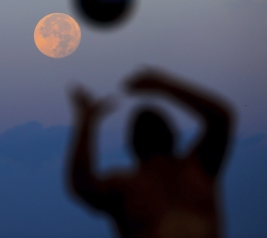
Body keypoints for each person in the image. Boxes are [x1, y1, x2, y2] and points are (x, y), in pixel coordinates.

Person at [67, 68, 234, 238]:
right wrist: (163, 86)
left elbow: (83, 184)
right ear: (172, 134)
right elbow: (220, 118)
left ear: (133, 144)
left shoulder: (127, 188)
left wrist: (87, 121)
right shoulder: (199, 168)